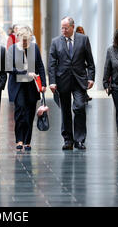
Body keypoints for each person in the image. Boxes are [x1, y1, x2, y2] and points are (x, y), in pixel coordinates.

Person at [48, 16, 95, 150]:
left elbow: (90, 62)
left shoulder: (83, 40)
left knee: (79, 107)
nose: (63, 30)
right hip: (62, 81)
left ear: (72, 27)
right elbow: (51, 64)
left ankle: (79, 140)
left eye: (66, 28)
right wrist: (52, 82)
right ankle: (68, 140)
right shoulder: (56, 42)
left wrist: (91, 78)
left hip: (79, 81)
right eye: (62, 28)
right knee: (65, 111)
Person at [7, 26, 46, 151]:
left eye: (27, 40)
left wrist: (43, 84)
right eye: (23, 40)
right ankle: (19, 140)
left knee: (29, 113)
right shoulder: (12, 49)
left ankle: (27, 141)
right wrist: (25, 72)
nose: (25, 42)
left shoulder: (34, 47)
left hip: (31, 85)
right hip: (18, 86)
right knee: (20, 112)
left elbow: (40, 66)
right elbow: (9, 68)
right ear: (18, 38)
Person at [75, 26, 92, 102]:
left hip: (82, 67)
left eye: (82, 30)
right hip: (76, 67)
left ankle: (85, 95)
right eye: (79, 30)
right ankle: (85, 96)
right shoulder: (74, 40)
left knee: (82, 83)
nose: (81, 31)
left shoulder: (85, 39)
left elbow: (88, 55)